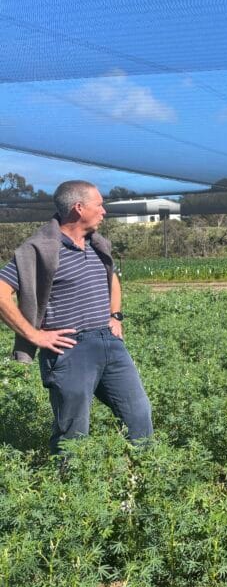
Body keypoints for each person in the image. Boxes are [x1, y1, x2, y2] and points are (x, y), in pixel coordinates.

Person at [0, 180, 153, 454]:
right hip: (69, 350)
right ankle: (67, 489)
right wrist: (33, 335)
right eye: (99, 204)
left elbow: (112, 278)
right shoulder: (41, 249)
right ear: (79, 208)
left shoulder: (97, 244)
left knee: (139, 414)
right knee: (72, 432)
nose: (104, 211)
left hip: (110, 343)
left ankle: (142, 480)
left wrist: (114, 315)